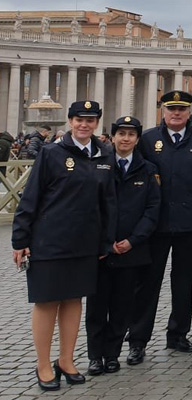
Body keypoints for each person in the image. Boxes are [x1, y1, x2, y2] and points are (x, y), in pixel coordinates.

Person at [12, 100, 115, 391]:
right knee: (46, 302)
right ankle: (43, 364)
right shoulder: (51, 153)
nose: (85, 124)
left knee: (73, 301)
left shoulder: (104, 154)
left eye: (91, 119)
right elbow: (30, 197)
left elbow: (108, 202)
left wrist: (106, 239)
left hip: (86, 241)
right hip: (49, 240)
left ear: (97, 123)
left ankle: (66, 360)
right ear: (70, 121)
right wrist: (20, 239)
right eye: (79, 119)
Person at [127, 90, 192, 364]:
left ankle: (178, 333)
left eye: (181, 109)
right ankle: (137, 340)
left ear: (189, 112)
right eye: (171, 109)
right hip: (154, 226)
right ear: (163, 111)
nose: (176, 113)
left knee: (183, 283)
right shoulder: (147, 140)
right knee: (147, 284)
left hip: (190, 224)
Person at [85, 116, 160, 375]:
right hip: (102, 251)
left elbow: (152, 210)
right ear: (113, 137)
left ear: (138, 140)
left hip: (132, 249)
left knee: (122, 306)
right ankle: (95, 355)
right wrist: (105, 242)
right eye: (121, 134)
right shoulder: (97, 166)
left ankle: (113, 353)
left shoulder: (148, 169)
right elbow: (90, 208)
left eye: (131, 134)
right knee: (97, 306)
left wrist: (133, 240)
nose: (125, 139)